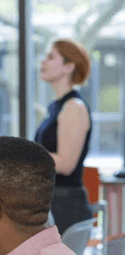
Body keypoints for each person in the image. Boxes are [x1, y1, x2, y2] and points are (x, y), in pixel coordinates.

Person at [35, 38, 92, 234]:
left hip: (66, 207)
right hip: (51, 203)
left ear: (69, 66)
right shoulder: (55, 107)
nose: (42, 62)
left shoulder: (74, 107)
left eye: (50, 57)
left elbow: (67, 164)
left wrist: (25, 157)